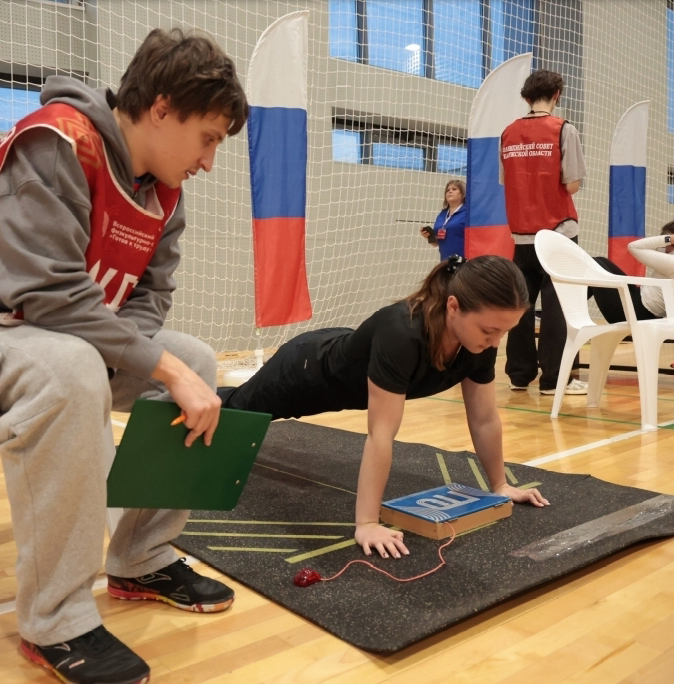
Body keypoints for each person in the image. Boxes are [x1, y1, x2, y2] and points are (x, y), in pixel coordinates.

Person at [0, 28, 248, 684]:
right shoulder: (56, 143)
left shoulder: (165, 192)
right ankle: (56, 621)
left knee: (194, 360)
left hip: (55, 338)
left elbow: (151, 297)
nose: (210, 161)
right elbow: (46, 293)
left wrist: (151, 361)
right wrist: (148, 363)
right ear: (162, 108)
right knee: (80, 370)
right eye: (208, 138)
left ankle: (142, 558)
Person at [221, 255, 549, 560]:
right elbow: (381, 433)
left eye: (504, 332)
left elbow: (484, 419)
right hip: (304, 373)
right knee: (232, 413)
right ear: (453, 306)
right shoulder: (403, 332)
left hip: (342, 357)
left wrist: (500, 485)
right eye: (490, 331)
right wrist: (366, 523)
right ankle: (192, 390)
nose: (495, 342)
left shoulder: (479, 343)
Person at [500, 69, 588, 396]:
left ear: (526, 97)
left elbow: (506, 181)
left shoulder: (507, 133)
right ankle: (554, 379)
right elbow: (572, 184)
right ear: (557, 95)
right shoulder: (563, 129)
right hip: (557, 233)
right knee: (557, 305)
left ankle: (519, 375)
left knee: (521, 305)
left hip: (522, 234)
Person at [592, 221, 674, 324]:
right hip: (638, 301)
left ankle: (572, 313)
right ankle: (572, 311)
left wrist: (668, 239)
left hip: (637, 313)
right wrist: (668, 239)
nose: (663, 244)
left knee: (595, 265)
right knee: (601, 261)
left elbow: (633, 246)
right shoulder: (670, 255)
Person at [420, 179, 467, 260]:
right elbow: (437, 243)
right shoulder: (442, 214)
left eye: (454, 189)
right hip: (445, 261)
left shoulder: (468, 213)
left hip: (465, 261)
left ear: (463, 193)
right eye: (448, 190)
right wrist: (429, 236)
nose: (450, 191)